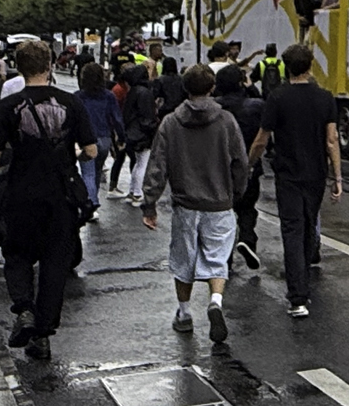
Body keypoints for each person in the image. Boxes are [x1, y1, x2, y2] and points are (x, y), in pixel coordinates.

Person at [0, 43, 98, 364]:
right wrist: (70, 157)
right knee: (55, 263)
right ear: (50, 65)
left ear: (18, 67)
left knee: (17, 255)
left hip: (20, 194)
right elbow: (92, 150)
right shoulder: (71, 103)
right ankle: (42, 335)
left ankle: (24, 307)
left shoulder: (8, 106)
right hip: (61, 197)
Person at [143, 65, 249, 345]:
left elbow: (157, 165)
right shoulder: (226, 121)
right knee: (216, 258)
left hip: (185, 203)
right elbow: (240, 161)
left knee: (184, 259)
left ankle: (184, 313)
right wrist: (237, 193)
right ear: (212, 88)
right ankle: (215, 300)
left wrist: (149, 204)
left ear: (184, 88)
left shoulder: (170, 122)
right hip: (219, 203)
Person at [250, 44, 341, 318]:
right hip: (316, 173)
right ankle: (304, 282)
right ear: (310, 66)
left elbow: (262, 138)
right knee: (309, 224)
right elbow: (332, 140)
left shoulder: (277, 98)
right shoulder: (325, 98)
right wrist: (337, 175)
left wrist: (249, 164)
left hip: (288, 173)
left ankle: (298, 298)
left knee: (292, 229)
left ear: (287, 68)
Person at [215, 63, 268, 270]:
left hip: (219, 167)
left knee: (223, 212)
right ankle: (247, 237)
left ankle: (225, 258)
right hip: (248, 164)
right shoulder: (256, 106)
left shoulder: (215, 108)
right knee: (247, 208)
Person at [74, 62, 123, 208]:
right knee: (96, 171)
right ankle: (93, 197)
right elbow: (116, 118)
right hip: (104, 138)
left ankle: (91, 202)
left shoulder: (78, 96)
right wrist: (121, 137)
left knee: (87, 173)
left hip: (86, 139)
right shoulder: (109, 96)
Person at [119, 62, 161, 203]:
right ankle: (137, 192)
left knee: (138, 162)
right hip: (143, 133)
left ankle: (134, 190)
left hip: (133, 132)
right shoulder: (145, 92)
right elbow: (147, 116)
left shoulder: (134, 91)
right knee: (143, 163)